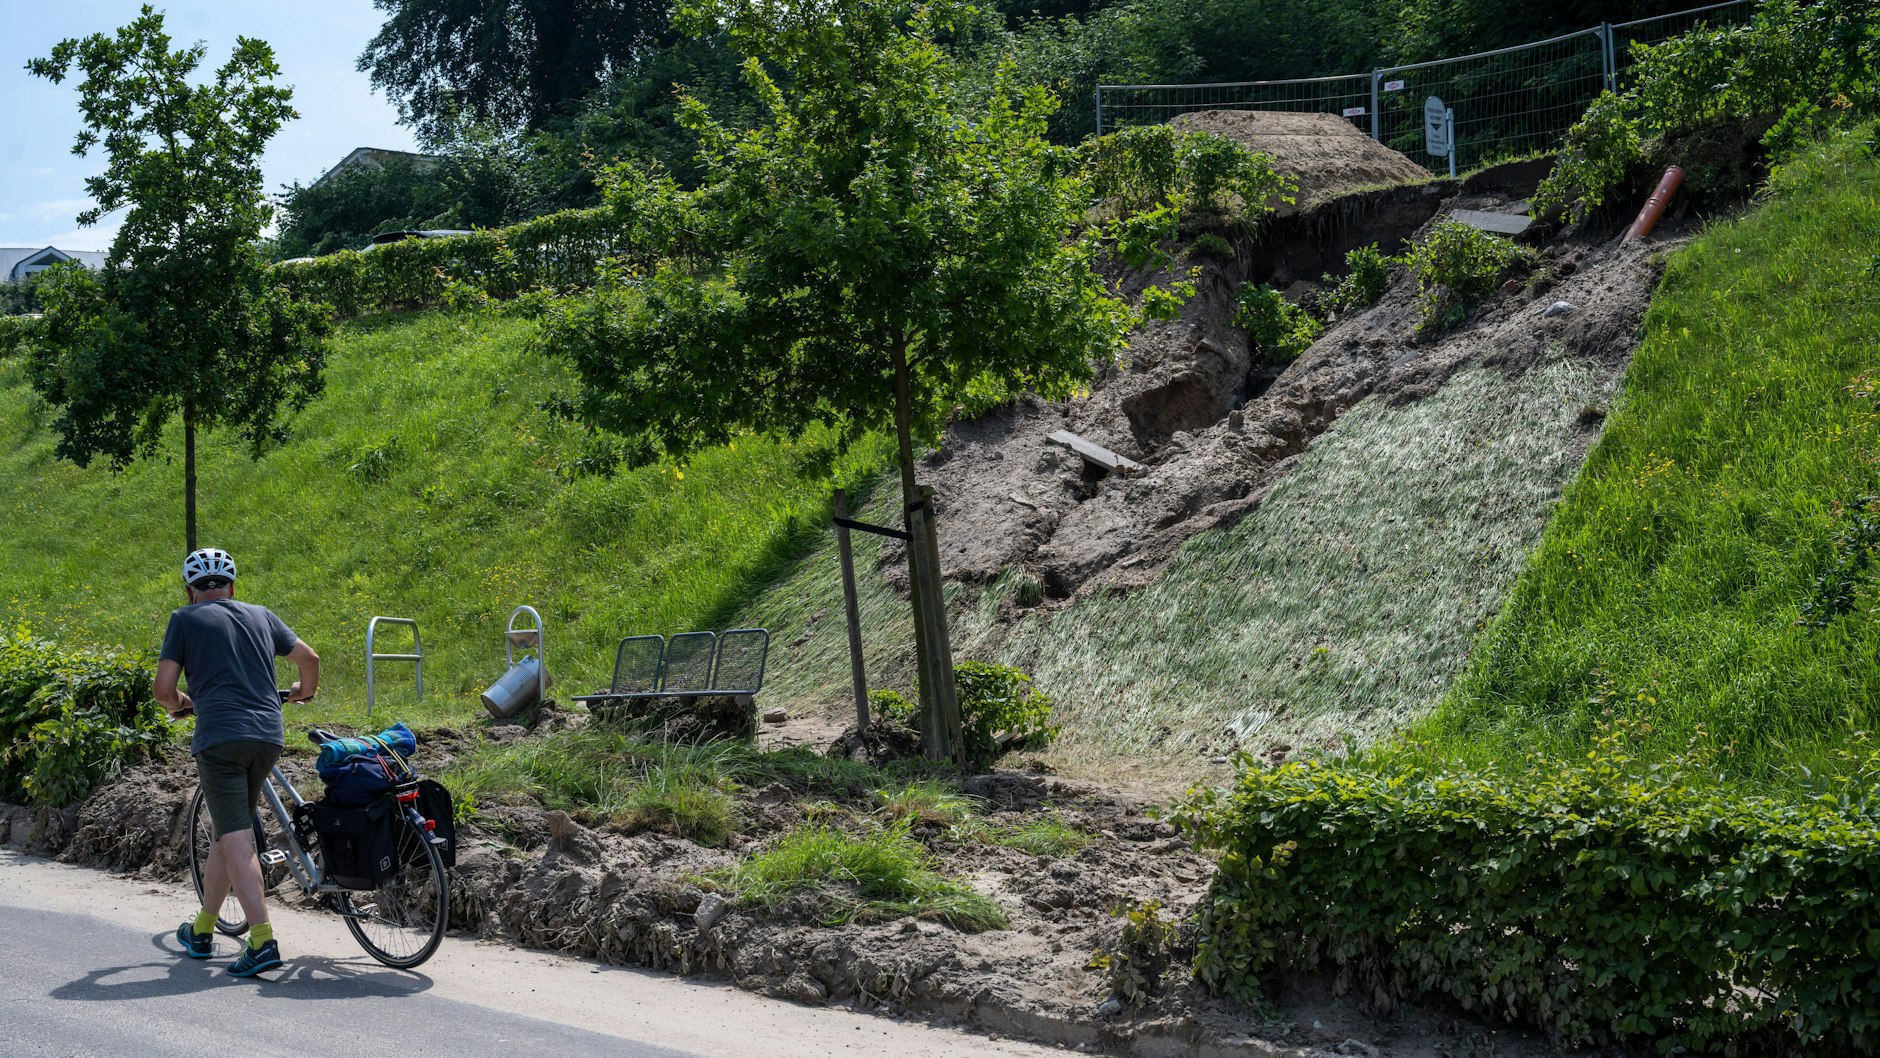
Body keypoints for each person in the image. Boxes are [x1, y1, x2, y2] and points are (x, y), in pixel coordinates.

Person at [153, 547, 319, 978]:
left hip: (221, 740)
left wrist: (182, 703)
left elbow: (163, 690)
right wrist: (302, 692)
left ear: (189, 590)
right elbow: (310, 659)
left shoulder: (184, 619)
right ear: (232, 587)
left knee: (238, 840)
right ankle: (202, 929)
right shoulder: (262, 615)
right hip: (269, 735)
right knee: (230, 832)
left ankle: (262, 940)